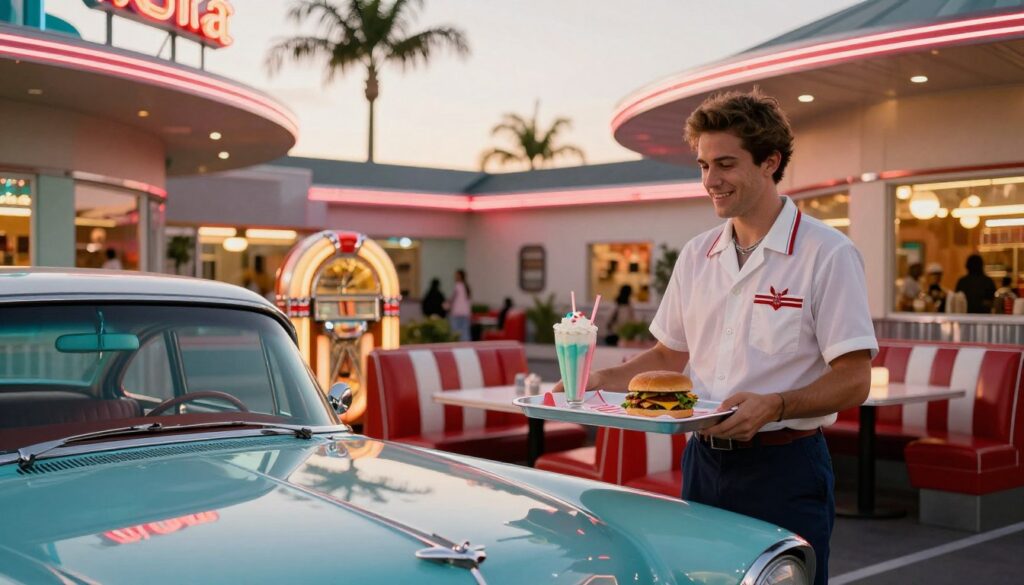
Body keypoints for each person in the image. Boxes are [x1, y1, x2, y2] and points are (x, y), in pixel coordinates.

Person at [555, 89, 875, 585]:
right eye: (703, 165)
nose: (710, 180)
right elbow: (667, 354)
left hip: (786, 467)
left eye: (724, 164)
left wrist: (776, 404)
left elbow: (855, 380)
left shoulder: (827, 253)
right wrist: (591, 380)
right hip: (702, 461)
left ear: (770, 161)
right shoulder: (695, 255)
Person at [447, 269, 472, 341]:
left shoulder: (457, 286)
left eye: (456, 275)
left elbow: (452, 299)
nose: (455, 277)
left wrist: (447, 306)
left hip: (457, 312)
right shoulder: (467, 287)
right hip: (465, 312)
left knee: (455, 332)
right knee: (465, 333)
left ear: (460, 276)